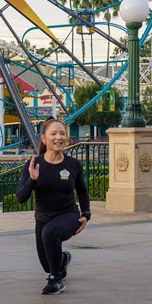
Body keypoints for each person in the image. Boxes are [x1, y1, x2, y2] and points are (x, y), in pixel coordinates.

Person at [16, 117, 90, 295]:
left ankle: (56, 280)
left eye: (62, 133)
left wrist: (86, 214)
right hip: (43, 217)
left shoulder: (73, 164)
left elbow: (82, 191)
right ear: (44, 139)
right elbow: (21, 198)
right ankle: (62, 260)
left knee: (50, 233)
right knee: (46, 263)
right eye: (54, 133)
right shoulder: (33, 165)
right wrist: (32, 180)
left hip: (68, 215)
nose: (59, 137)